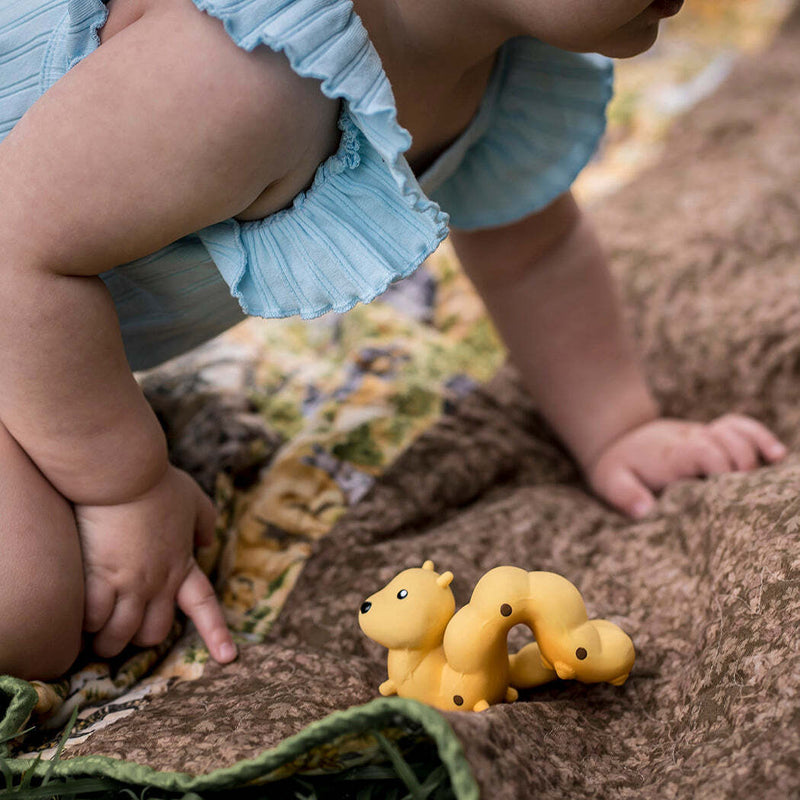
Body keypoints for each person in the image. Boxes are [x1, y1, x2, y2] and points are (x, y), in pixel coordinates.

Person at [0, 0, 786, 680]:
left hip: (27, 318)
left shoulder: (500, 52)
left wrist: (622, 426)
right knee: (25, 608)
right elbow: (13, 242)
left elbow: (531, 252)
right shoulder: (244, 71)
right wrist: (124, 486)